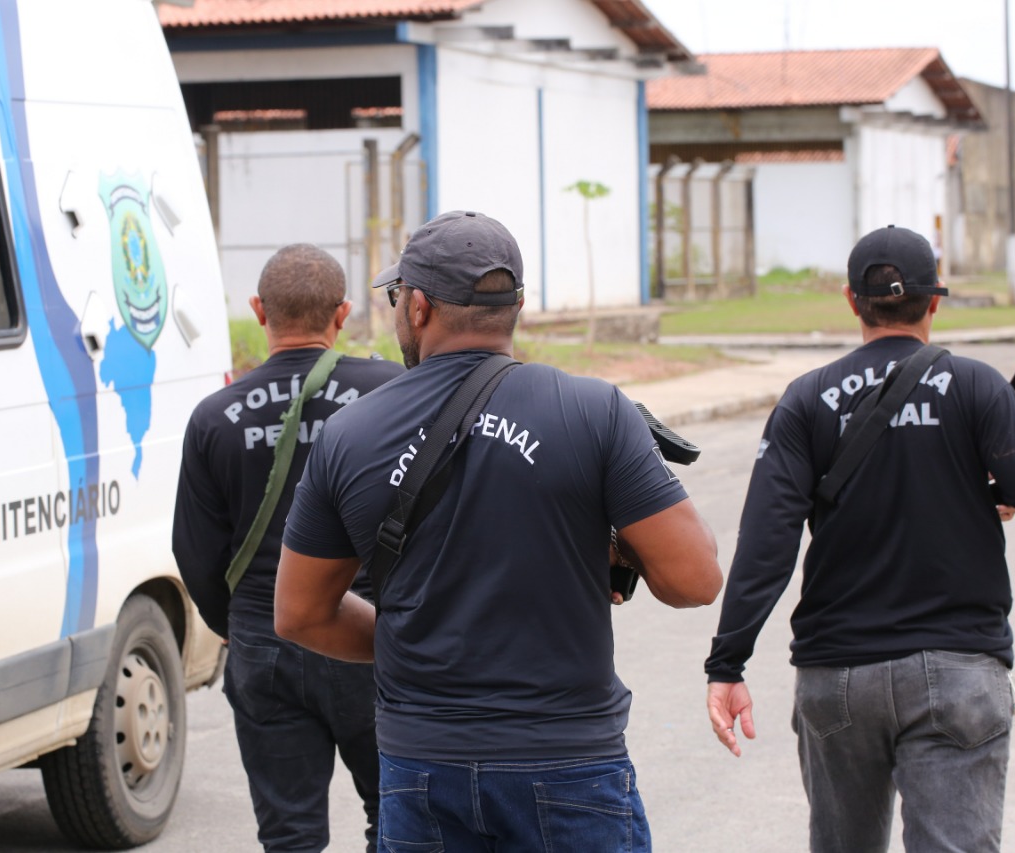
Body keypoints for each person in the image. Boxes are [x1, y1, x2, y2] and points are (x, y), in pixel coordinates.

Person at [274, 210, 723, 851]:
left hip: (423, 767)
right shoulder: (594, 411)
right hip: (569, 765)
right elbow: (695, 580)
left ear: (419, 307)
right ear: (517, 305)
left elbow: (298, 614)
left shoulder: (349, 433)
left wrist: (419, 641)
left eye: (397, 298)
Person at [705, 225, 1015, 852]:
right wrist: (994, 488)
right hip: (958, 672)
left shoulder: (805, 400)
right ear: (935, 302)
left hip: (837, 676)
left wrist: (727, 663)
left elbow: (767, 542)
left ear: (852, 301)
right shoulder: (979, 387)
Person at [172, 243, 403, 852]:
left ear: (257, 310)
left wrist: (244, 625)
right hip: (370, 637)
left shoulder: (213, 417)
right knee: (398, 818)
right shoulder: (391, 392)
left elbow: (195, 552)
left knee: (290, 835)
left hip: (264, 640)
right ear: (344, 313)